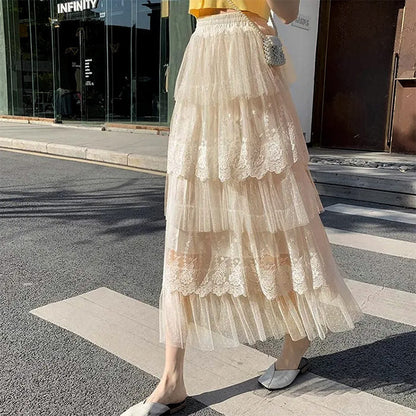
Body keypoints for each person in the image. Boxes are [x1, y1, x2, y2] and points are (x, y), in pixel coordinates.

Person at [121, 1, 364, 415]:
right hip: (203, 53)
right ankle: (172, 379)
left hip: (249, 59)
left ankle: (297, 335)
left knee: (270, 207)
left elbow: (287, 12)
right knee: (189, 210)